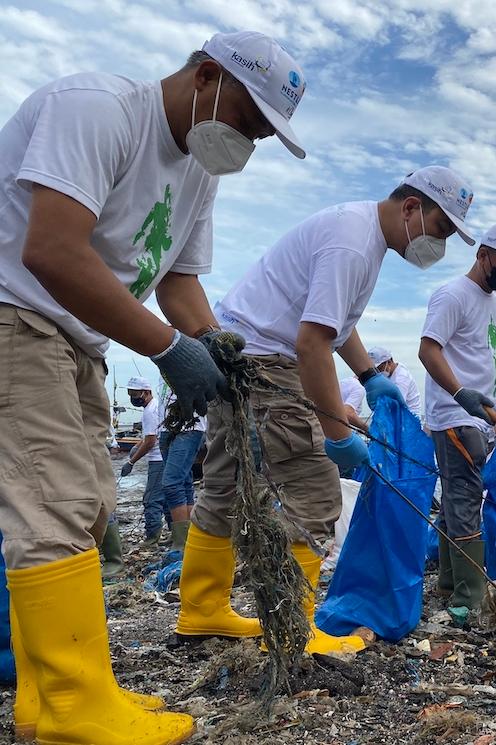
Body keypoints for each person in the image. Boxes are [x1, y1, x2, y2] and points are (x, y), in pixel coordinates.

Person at [0, 30, 309, 745]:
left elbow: (179, 282)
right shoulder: (98, 109)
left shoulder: (199, 172)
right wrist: (169, 348)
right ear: (206, 76)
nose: (250, 143)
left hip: (78, 336)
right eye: (249, 122)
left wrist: (216, 346)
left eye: (264, 135)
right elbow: (48, 248)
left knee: (87, 502)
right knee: (56, 501)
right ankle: (76, 707)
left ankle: (49, 701)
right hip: (16, 313)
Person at [179, 165, 477, 655]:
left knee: (224, 484)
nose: (438, 245)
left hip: (239, 352)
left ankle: (201, 610)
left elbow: (335, 323)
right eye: (441, 229)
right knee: (314, 493)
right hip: (268, 364)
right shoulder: (353, 244)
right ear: (410, 208)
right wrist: (337, 434)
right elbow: (313, 344)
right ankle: (295, 632)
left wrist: (368, 376)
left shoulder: (358, 232)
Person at [420, 223, 496, 610]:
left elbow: (493, 353)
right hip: (455, 414)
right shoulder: (453, 295)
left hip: (483, 415)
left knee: (462, 495)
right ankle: (469, 595)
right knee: (466, 496)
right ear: (483, 255)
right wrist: (459, 392)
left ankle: (449, 583)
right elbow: (428, 350)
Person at [157, 380, 207, 555]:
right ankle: (188, 535)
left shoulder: (189, 355)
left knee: (171, 483)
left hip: (190, 426)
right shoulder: (161, 365)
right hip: (165, 427)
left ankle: (180, 542)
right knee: (184, 483)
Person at [117, 377, 166, 553]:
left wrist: (131, 461)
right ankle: (174, 536)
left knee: (151, 499)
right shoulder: (155, 407)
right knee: (166, 498)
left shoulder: (149, 411)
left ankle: (152, 538)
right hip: (162, 458)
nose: (133, 398)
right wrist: (138, 445)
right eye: (130, 394)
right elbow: (149, 436)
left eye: (136, 394)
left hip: (157, 460)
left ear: (147, 392)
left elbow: (151, 441)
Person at [369, 345, 422, 417]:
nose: (378, 372)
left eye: (380, 368)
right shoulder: (391, 373)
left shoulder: (401, 379)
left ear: (389, 362)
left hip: (407, 421)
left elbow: (395, 407)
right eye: (375, 370)